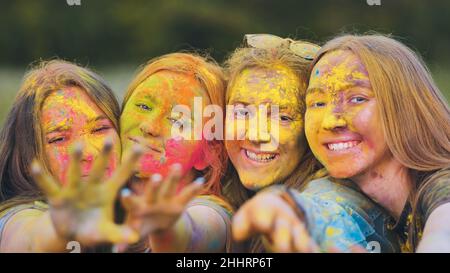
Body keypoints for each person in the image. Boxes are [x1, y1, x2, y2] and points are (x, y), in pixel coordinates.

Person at [224, 34, 399, 252]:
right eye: (242, 112)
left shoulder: (336, 194)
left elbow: (328, 215)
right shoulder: (223, 186)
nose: (256, 135)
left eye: (283, 118)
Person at [0, 60, 141, 252]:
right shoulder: (18, 217)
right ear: (27, 159)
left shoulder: (138, 204)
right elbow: (27, 240)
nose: (88, 152)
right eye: (58, 139)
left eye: (100, 128)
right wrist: (59, 230)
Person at [117, 53, 234, 252]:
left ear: (209, 152)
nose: (149, 126)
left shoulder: (212, 214)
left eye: (178, 121)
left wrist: (167, 229)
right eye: (143, 106)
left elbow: (196, 232)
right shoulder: (106, 201)